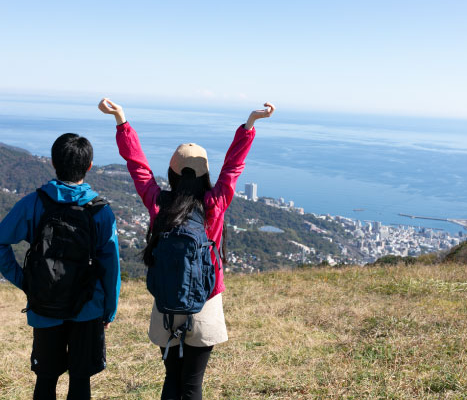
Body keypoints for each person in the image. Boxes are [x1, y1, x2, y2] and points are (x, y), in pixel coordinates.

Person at [98, 98, 275, 400]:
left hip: (166, 303)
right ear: (205, 173)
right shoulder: (214, 204)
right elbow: (233, 168)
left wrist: (121, 121)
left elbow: (138, 167)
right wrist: (249, 124)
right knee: (193, 384)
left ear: (172, 173)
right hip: (205, 302)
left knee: (171, 379)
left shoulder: (159, 204)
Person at [0, 133, 121, 400]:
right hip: (88, 307)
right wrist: (108, 311)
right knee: (80, 380)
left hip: (44, 305)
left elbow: (1, 242)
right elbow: (111, 268)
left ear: (53, 162)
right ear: (89, 166)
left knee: (45, 379)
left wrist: (25, 281)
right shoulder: (100, 211)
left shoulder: (34, 203)